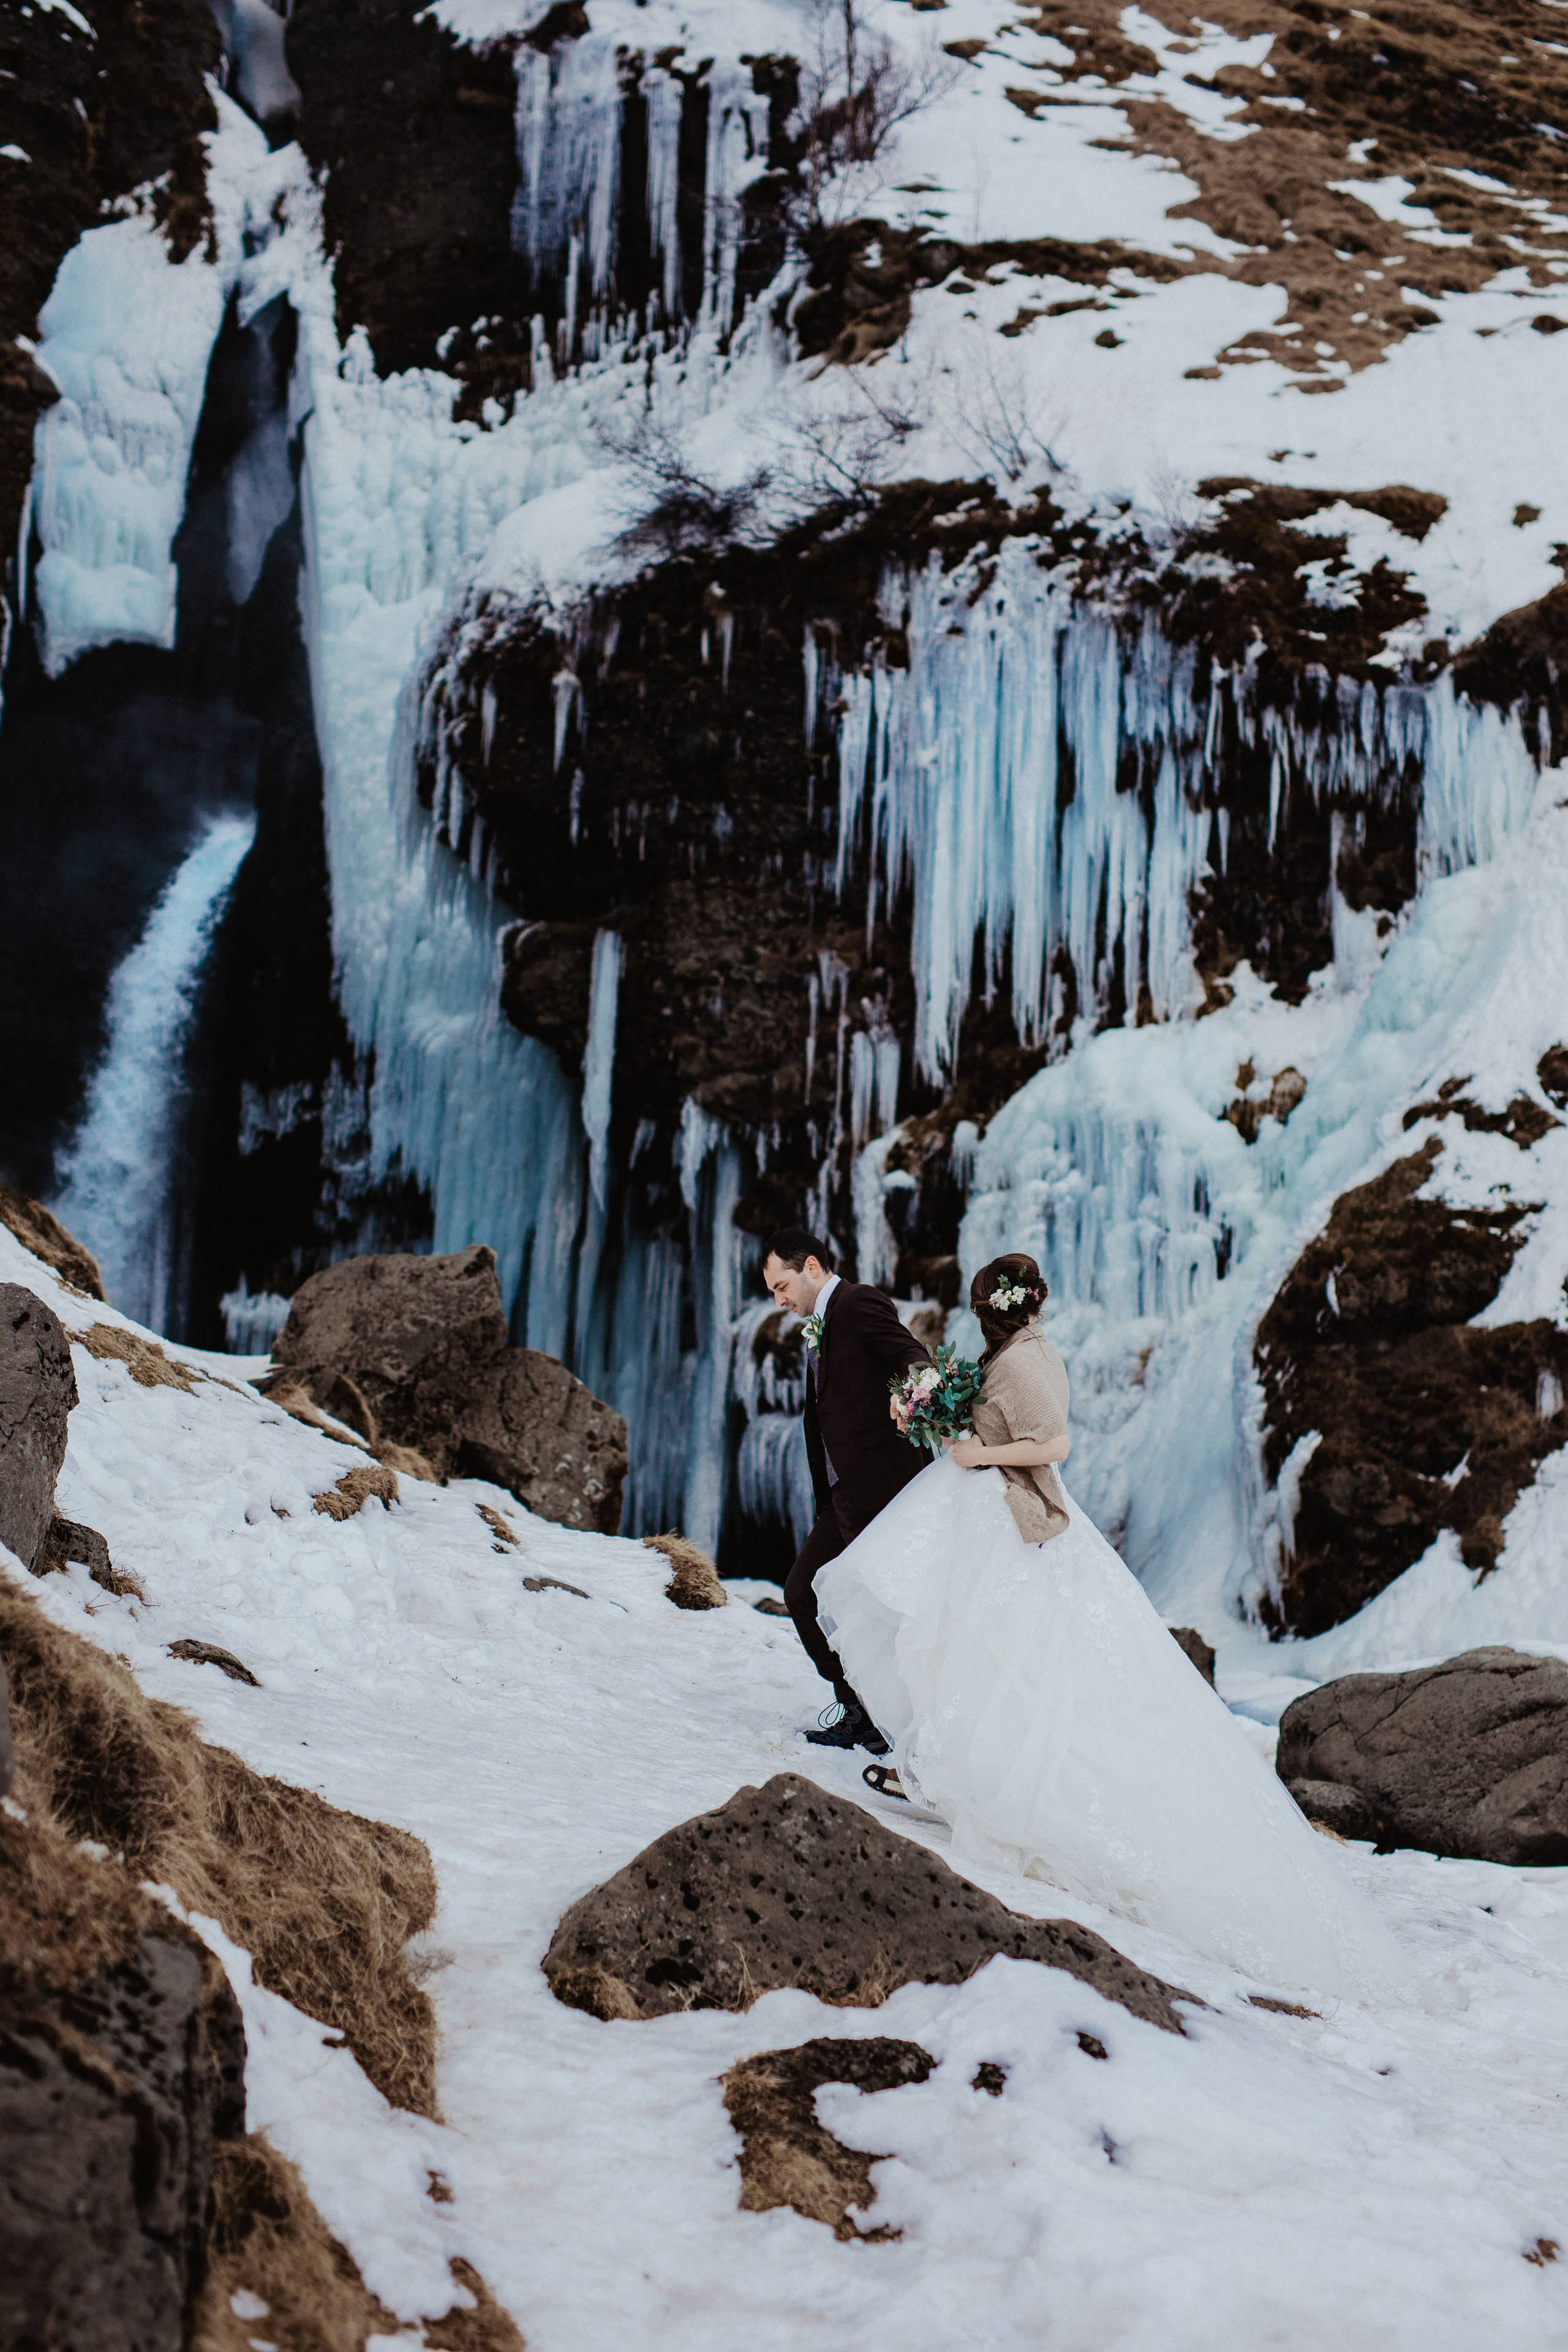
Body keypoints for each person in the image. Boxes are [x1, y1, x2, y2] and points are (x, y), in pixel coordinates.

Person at [814, 1253, 1413, 2003]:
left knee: (1008, 1654)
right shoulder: (1012, 1352)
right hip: (984, 1514)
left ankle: (974, 1775)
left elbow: (1053, 1446)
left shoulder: (1027, 1362)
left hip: (1008, 1516)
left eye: (983, 1307)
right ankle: (942, 1761)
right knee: (975, 1647)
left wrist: (977, 1451)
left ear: (997, 1307)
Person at [761, 1226, 931, 1754]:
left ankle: (900, 1723)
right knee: (802, 1592)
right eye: (773, 1291)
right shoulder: (820, 1323)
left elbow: (913, 1357)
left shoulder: (859, 1303)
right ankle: (860, 1707)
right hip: (843, 1498)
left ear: (812, 1267)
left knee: (882, 1610)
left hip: (885, 1494)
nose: (780, 1299)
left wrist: (909, 1402)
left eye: (782, 1285)